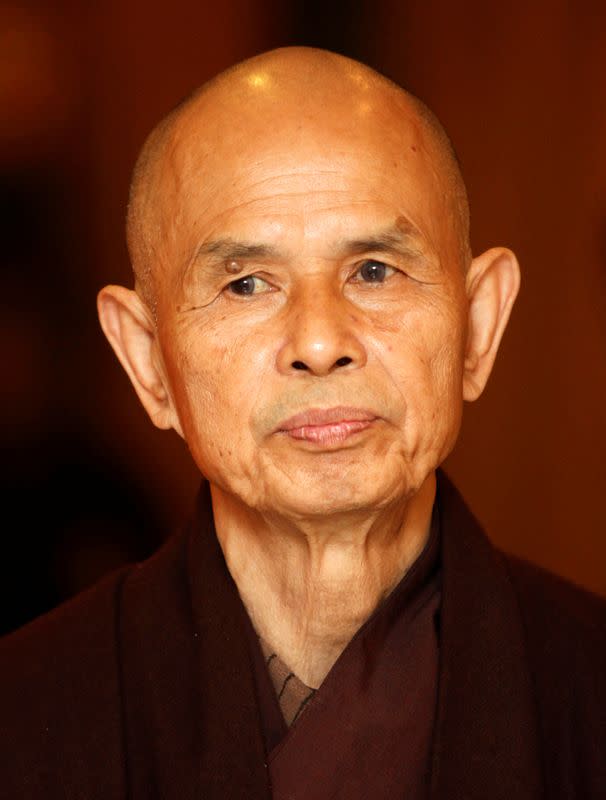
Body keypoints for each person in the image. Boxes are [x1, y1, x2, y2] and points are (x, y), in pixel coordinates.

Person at [1, 47, 604, 799]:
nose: (320, 343)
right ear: (147, 360)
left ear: (479, 326)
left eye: (376, 271)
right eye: (247, 284)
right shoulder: (21, 718)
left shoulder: (590, 687)